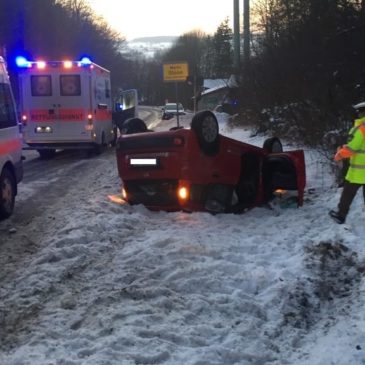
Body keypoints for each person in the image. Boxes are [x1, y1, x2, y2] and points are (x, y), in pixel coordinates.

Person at [329, 101, 365, 224]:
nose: (358, 114)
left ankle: (340, 215)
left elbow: (352, 149)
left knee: (347, 194)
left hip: (359, 172)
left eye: (359, 112)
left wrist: (339, 155)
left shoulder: (360, 129)